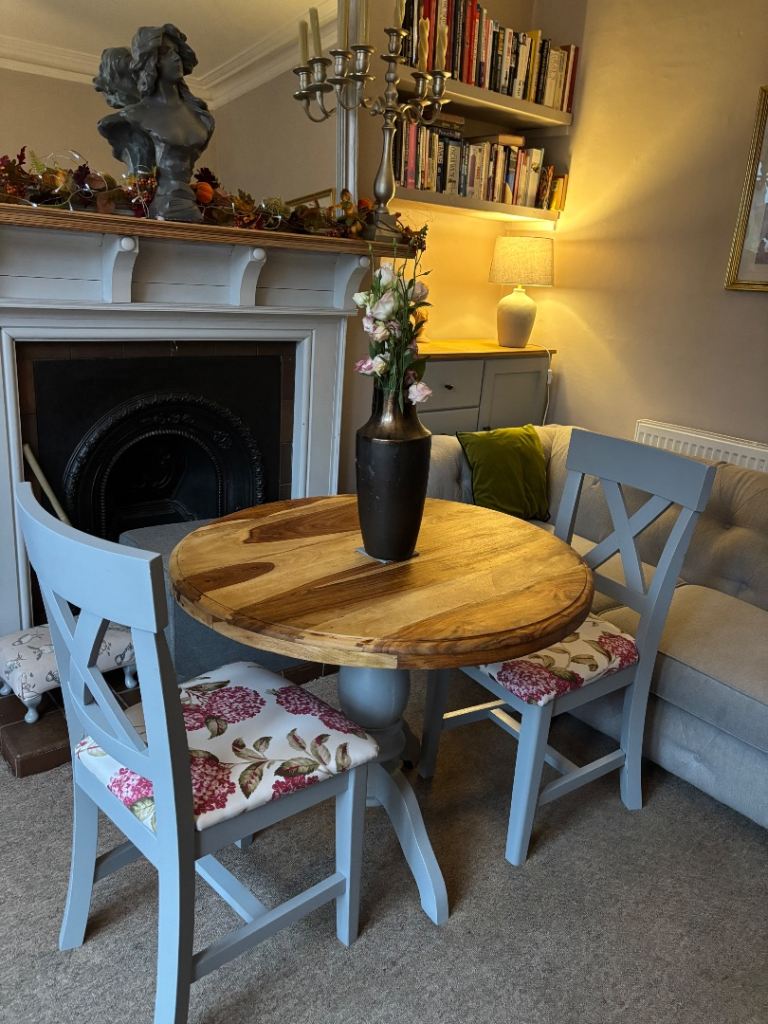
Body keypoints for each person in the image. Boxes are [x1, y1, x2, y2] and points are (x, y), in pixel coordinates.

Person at [95, 25, 214, 222]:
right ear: (150, 62)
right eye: (166, 53)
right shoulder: (132, 116)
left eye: (176, 52)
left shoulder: (201, 116)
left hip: (189, 207)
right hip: (159, 207)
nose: (176, 58)